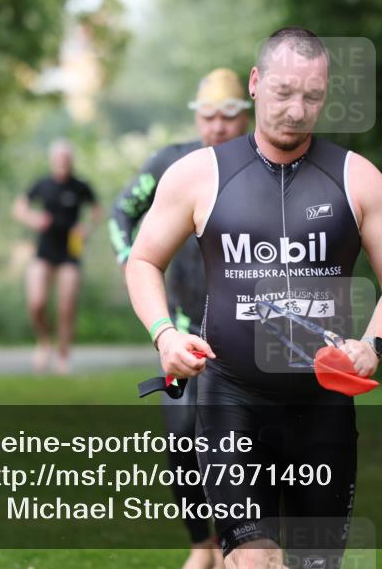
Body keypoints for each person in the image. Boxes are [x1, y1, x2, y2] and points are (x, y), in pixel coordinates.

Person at [125, 28, 382, 569]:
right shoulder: (198, 174)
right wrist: (163, 334)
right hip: (232, 400)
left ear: (325, 94)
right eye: (284, 92)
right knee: (253, 562)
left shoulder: (357, 179)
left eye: (311, 96)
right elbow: (144, 260)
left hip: (322, 407)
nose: (296, 109)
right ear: (256, 85)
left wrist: (373, 344)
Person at [110, 68, 250, 569]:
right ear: (196, 115)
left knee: (251, 443)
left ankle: (244, 545)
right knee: (181, 438)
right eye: (208, 116)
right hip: (185, 328)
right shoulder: (172, 161)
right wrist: (133, 262)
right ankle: (202, 545)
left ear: (247, 117)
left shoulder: (262, 165)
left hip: (248, 334)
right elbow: (121, 210)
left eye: (229, 116)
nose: (217, 127)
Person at [12, 139, 102, 375]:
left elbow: (97, 210)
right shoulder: (42, 184)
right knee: (37, 303)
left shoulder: (80, 186)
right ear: (52, 161)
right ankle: (44, 341)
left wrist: (86, 228)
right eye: (58, 158)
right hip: (44, 252)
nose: (62, 162)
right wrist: (33, 218)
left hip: (70, 253)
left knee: (66, 307)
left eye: (66, 158)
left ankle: (63, 354)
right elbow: (19, 207)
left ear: (71, 161)